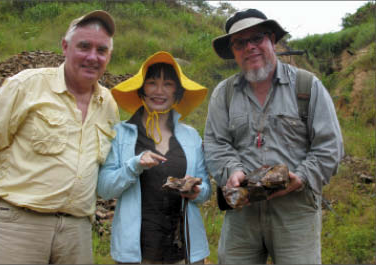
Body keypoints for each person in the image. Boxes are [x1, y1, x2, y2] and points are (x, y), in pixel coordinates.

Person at [0, 10, 119, 264]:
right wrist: (8, 174)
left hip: (78, 231)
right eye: (84, 46)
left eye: (101, 50)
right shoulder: (28, 85)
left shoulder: (107, 102)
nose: (92, 57)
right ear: (65, 47)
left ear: (109, 56)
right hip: (21, 226)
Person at [204, 9, 344, 264]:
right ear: (233, 51)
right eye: (240, 43)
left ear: (272, 40)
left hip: (296, 211)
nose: (250, 48)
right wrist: (232, 171)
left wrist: (300, 177)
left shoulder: (307, 86)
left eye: (257, 38)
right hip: (241, 213)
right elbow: (216, 143)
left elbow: (330, 146)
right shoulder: (223, 94)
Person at [97, 51, 211, 264]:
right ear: (141, 90)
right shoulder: (121, 134)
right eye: (151, 83)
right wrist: (134, 165)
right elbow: (104, 188)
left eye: (167, 84)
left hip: (184, 252)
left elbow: (206, 192)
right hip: (137, 252)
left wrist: (196, 191)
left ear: (177, 92)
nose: (159, 91)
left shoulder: (191, 136)